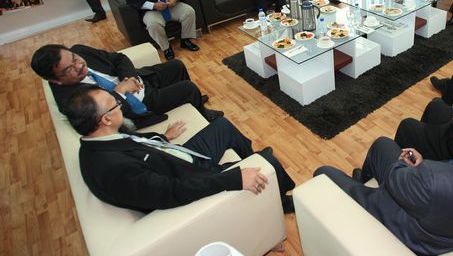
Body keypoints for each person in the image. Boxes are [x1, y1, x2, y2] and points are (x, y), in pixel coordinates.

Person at [314, 97, 453, 256]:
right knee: (383, 144)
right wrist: (425, 167)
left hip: (401, 227)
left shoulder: (430, 178)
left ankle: (359, 190)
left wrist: (418, 169)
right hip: (437, 215)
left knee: (323, 173)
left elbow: (395, 177)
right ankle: (364, 178)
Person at [63, 85, 295, 214]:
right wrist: (234, 178)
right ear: (105, 119)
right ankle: (282, 202)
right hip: (192, 175)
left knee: (223, 126)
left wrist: (164, 138)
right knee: (269, 162)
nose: (120, 104)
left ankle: (250, 157)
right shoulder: (113, 169)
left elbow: (136, 144)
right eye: (115, 104)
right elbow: (172, 191)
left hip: (178, 156)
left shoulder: (101, 140)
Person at [31, 44, 223, 128]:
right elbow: (102, 116)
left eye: (75, 59)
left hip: (138, 81)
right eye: (69, 70)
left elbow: (118, 58)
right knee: (188, 88)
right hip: (139, 106)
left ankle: (196, 105)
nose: (79, 65)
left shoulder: (80, 50)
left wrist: (129, 78)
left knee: (176, 66)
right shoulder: (69, 100)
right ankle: (202, 112)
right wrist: (120, 91)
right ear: (55, 81)